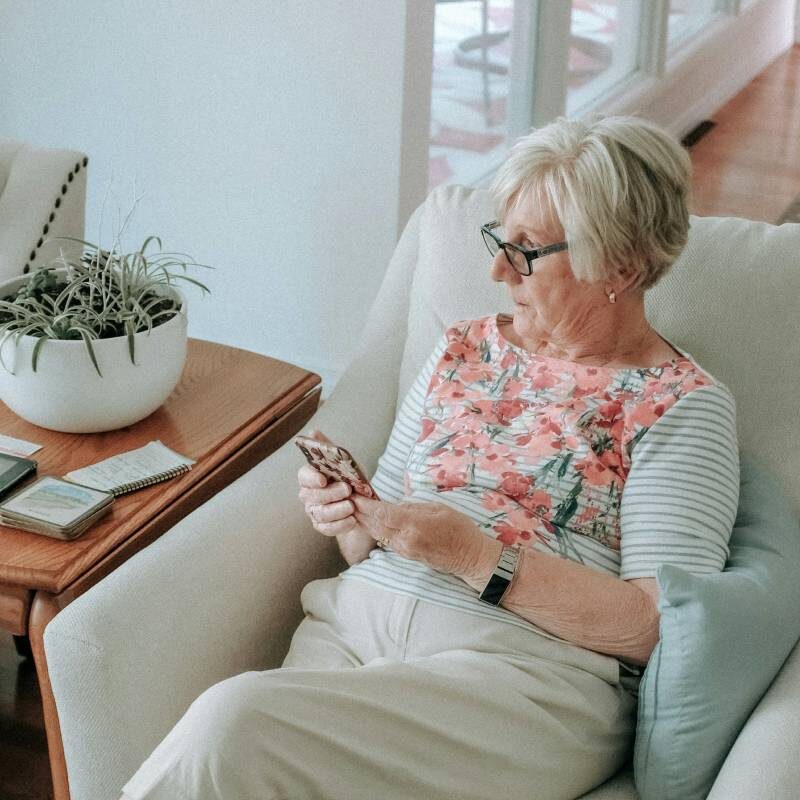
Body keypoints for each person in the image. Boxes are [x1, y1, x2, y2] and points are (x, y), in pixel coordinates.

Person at [120, 115, 739, 800]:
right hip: (354, 632)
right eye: (499, 240)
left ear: (620, 264)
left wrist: (476, 557)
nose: (498, 269)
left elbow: (657, 629)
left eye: (528, 251)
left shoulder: (681, 404)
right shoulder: (465, 347)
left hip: (519, 682)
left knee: (229, 723)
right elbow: (370, 544)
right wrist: (350, 511)